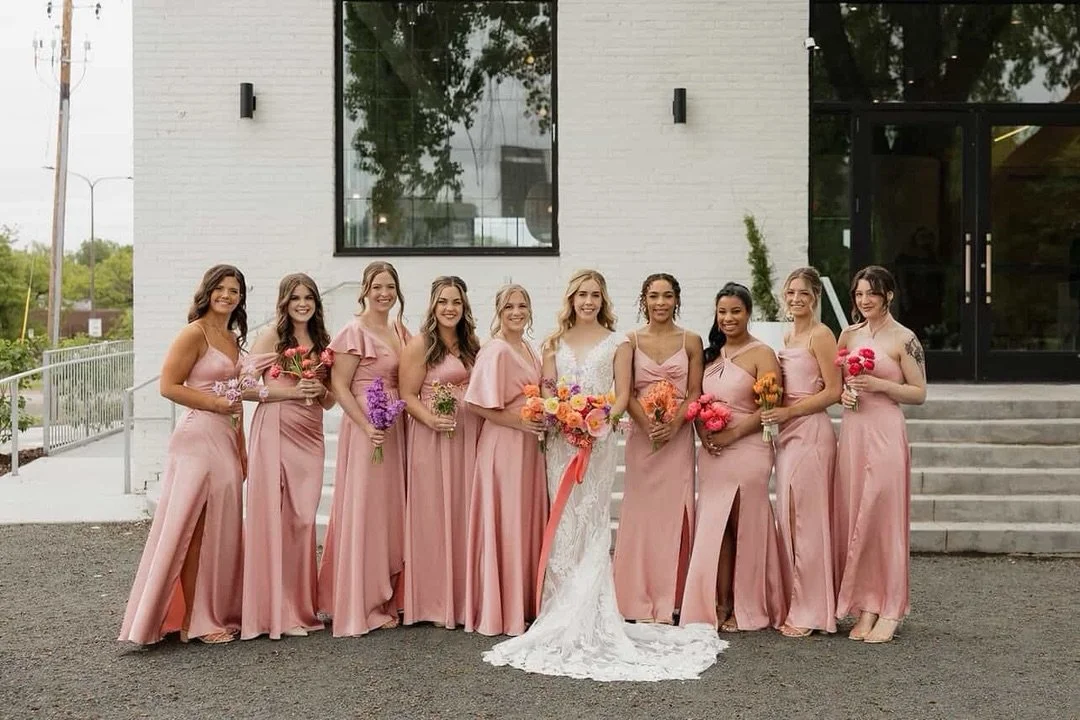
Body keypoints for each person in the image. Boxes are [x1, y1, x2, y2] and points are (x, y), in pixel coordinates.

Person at [483, 270, 723, 681]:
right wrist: (562, 414)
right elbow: (546, 388)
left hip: (597, 441)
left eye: (595, 294)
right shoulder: (553, 342)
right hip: (561, 441)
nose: (588, 301)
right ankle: (558, 604)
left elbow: (622, 394)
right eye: (582, 294)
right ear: (571, 299)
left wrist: (595, 421)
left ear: (603, 299)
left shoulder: (618, 343)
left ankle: (593, 606)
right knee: (564, 520)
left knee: (591, 517)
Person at [118, 264, 248, 645]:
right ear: (207, 292)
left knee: (221, 531)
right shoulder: (194, 333)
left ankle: (214, 611)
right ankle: (195, 619)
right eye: (221, 288)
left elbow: (237, 400)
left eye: (234, 290)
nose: (227, 295)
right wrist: (214, 404)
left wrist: (241, 446)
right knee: (195, 530)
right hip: (197, 439)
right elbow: (168, 385)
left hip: (225, 438)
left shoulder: (232, 338)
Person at [680, 282, 787, 633]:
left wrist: (732, 434)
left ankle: (748, 604)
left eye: (736, 311)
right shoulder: (711, 355)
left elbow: (770, 407)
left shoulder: (762, 353)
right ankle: (720, 601)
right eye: (722, 312)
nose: (728, 318)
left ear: (748, 313)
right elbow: (696, 400)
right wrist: (704, 434)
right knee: (718, 527)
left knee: (746, 527)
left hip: (749, 447)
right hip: (713, 451)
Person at [834, 265, 927, 644]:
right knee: (858, 516)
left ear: (888, 294)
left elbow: (919, 393)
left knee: (884, 517)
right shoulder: (848, 334)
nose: (864, 300)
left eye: (872, 293)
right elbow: (839, 384)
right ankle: (867, 604)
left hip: (886, 431)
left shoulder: (905, 338)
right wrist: (845, 393)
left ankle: (891, 607)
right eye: (859, 294)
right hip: (854, 431)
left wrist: (880, 384)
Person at [318, 261, 411, 637]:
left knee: (388, 510)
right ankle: (361, 601)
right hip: (365, 427)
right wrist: (365, 424)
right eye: (377, 287)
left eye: (390, 287)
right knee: (366, 508)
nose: (384, 294)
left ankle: (386, 594)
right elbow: (339, 385)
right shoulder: (352, 332)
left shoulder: (399, 331)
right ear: (365, 290)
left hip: (394, 425)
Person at [241, 273, 335, 640]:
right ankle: (276, 612)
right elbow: (244, 389)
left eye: (308, 297)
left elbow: (329, 400)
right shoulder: (272, 338)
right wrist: (290, 393)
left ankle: (299, 607)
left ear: (316, 303)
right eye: (295, 298)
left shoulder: (324, 342)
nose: (302, 304)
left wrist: (319, 389)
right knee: (276, 518)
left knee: (303, 518)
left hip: (310, 434)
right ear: (284, 302)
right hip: (276, 429)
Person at [613, 273, 702, 625]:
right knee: (640, 516)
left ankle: (672, 598)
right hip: (642, 437)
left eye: (667, 296)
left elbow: (694, 392)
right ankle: (634, 598)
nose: (660, 302)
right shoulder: (629, 341)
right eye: (654, 296)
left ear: (676, 299)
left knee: (674, 516)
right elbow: (626, 391)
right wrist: (649, 425)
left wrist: (675, 424)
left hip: (678, 438)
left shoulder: (691, 340)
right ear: (644, 300)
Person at [761, 267, 842, 637]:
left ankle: (812, 612)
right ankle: (797, 601)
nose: (796, 299)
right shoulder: (787, 334)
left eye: (803, 293)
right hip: (787, 434)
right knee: (789, 517)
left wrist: (789, 412)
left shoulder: (822, 335)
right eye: (791, 292)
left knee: (807, 521)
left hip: (811, 432)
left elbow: (834, 391)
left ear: (815, 298)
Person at [463, 284, 548, 637]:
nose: (516, 312)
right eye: (509, 306)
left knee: (524, 519)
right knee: (508, 519)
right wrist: (519, 422)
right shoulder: (495, 349)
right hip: (504, 445)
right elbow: (475, 403)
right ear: (499, 311)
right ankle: (502, 610)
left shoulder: (528, 347)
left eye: (522, 305)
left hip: (528, 447)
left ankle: (524, 602)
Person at [399, 276, 482, 629]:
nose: (450, 308)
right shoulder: (420, 345)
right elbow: (407, 395)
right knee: (433, 514)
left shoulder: (471, 344)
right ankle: (433, 601)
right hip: (433, 437)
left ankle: (464, 598)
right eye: (444, 301)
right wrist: (431, 419)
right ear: (433, 306)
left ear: (464, 307)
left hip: (467, 435)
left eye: (456, 302)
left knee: (464, 512)